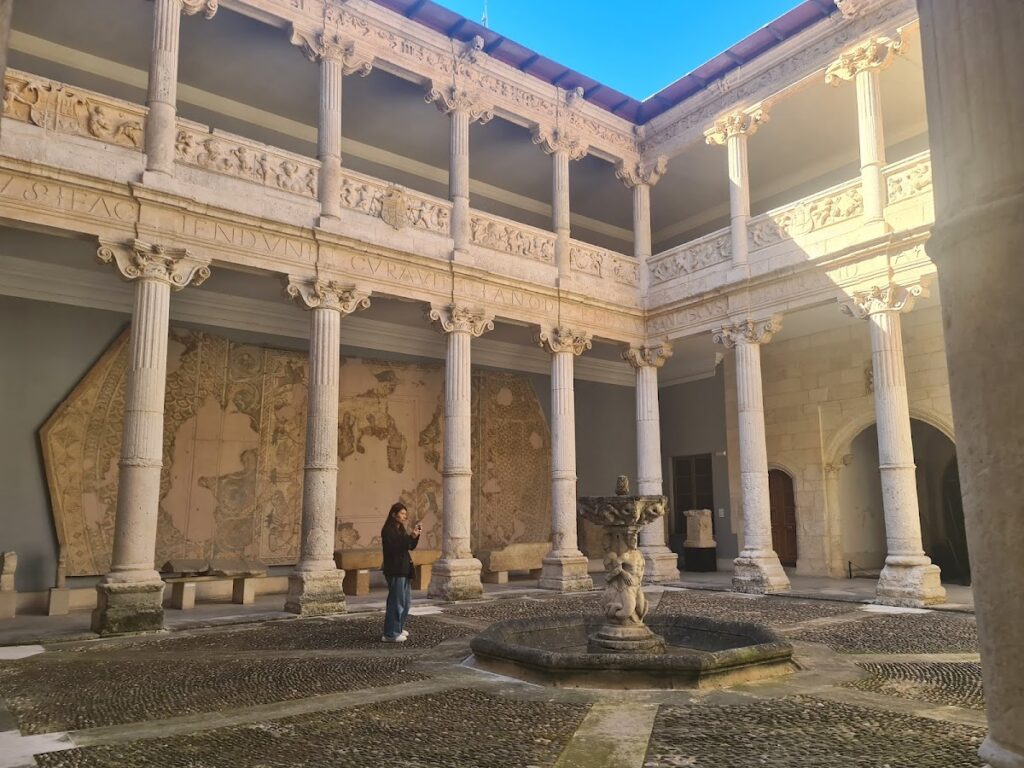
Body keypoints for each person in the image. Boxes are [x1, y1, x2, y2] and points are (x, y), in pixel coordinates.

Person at [380, 501, 421, 642]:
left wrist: (415, 537)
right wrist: (410, 537)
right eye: (402, 513)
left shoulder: (401, 530)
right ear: (394, 514)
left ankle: (398, 628)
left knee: (405, 601)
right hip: (395, 569)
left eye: (405, 514)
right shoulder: (388, 530)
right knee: (396, 602)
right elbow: (395, 548)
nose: (404, 516)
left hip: (404, 569)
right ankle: (390, 633)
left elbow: (409, 546)